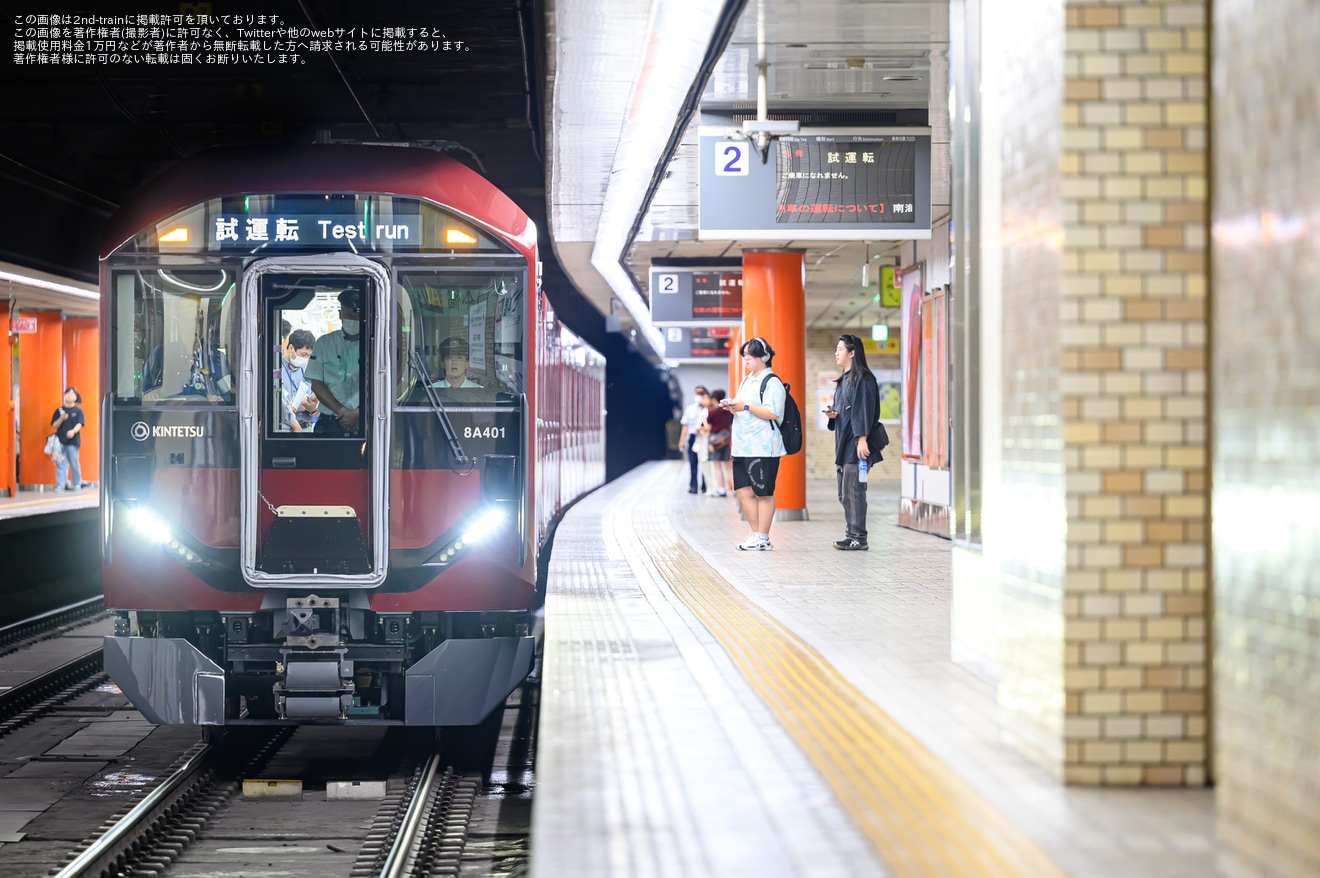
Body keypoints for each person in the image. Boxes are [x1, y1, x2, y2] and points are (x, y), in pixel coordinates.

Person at [724, 338, 785, 550]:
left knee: (763, 492)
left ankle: (763, 537)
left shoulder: (772, 382)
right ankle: (756, 533)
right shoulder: (746, 381)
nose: (746, 359)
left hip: (763, 446)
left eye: (751, 355)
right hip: (742, 445)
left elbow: (773, 412)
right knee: (742, 491)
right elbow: (744, 407)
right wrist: (734, 407)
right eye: (744, 355)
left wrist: (746, 406)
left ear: (765, 357)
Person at [825, 334, 881, 550]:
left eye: (840, 349)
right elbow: (847, 412)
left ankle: (858, 537)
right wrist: (834, 415)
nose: (836, 353)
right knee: (844, 493)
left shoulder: (864, 380)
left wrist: (863, 439)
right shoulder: (844, 381)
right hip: (843, 444)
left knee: (854, 491)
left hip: (856, 445)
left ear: (852, 352)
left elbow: (863, 412)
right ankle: (852, 534)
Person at [307, 288, 364, 436]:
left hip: (365, 420)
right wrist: (342, 411)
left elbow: (382, 385)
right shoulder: (324, 344)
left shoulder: (375, 346)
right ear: (340, 315)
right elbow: (316, 384)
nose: (353, 320)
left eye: (357, 315)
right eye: (349, 315)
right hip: (330, 421)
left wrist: (358, 412)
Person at [279, 328, 319, 433]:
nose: (306, 359)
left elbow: (315, 399)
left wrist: (313, 409)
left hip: (306, 427)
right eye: (303, 354)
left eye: (309, 356)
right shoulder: (277, 369)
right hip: (285, 429)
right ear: (291, 348)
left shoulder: (308, 370)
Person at [50, 386, 86, 491]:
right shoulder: (59, 410)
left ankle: (77, 483)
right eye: (67, 394)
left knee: (74, 462)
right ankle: (61, 484)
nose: (69, 396)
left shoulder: (78, 411)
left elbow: (80, 423)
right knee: (61, 463)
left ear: (76, 397)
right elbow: (54, 425)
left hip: (73, 441)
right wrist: (61, 418)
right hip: (60, 440)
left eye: (72, 394)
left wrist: (73, 431)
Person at [678, 385, 708, 494]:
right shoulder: (690, 409)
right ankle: (693, 486)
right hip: (692, 437)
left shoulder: (708, 409)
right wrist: (682, 440)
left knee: (704, 462)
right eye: (697, 393)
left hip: (704, 438)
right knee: (693, 463)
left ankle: (705, 486)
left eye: (701, 393)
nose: (698, 396)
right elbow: (685, 425)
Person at [703, 387, 733, 497]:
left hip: (714, 441)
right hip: (725, 440)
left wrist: (703, 423)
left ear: (714, 399)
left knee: (717, 466)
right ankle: (734, 488)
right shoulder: (728, 412)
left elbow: (709, 428)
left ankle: (721, 489)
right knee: (727, 466)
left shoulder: (712, 413)